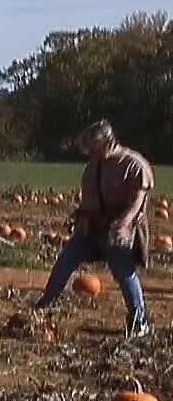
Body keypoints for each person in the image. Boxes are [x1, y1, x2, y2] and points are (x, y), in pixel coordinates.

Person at [33, 121, 153, 338]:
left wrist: (123, 223)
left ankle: (139, 321)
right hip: (94, 224)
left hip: (120, 225)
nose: (91, 153)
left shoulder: (134, 165)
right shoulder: (94, 165)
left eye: (94, 149)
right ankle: (45, 305)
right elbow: (89, 198)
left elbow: (137, 201)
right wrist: (84, 218)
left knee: (123, 272)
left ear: (106, 143)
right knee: (66, 260)